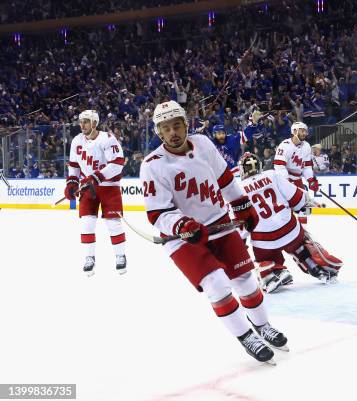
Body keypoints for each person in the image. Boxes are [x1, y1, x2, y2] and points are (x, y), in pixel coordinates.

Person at [139, 100, 287, 364]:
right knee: (216, 283)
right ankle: (245, 336)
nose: (172, 132)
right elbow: (157, 214)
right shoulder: (152, 165)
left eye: (177, 125)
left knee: (246, 280)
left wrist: (242, 206)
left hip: (219, 223)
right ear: (158, 133)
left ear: (186, 125)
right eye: (165, 128)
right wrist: (182, 225)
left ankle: (262, 326)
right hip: (184, 238)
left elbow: (225, 180)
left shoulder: (204, 144)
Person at [239, 153, 342, 293]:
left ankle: (272, 272)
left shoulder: (238, 189)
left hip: (264, 239)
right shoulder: (271, 175)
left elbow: (241, 223)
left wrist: (240, 242)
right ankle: (315, 265)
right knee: (300, 245)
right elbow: (296, 197)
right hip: (289, 228)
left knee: (264, 256)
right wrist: (304, 204)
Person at [64, 110, 127, 276]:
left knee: (113, 223)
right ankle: (89, 257)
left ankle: (120, 255)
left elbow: (117, 164)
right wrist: (71, 183)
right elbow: (74, 166)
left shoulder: (107, 139)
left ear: (94, 123)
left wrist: (96, 177)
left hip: (109, 187)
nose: (81, 125)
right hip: (87, 188)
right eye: (80, 121)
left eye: (85, 121)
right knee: (87, 223)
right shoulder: (77, 141)